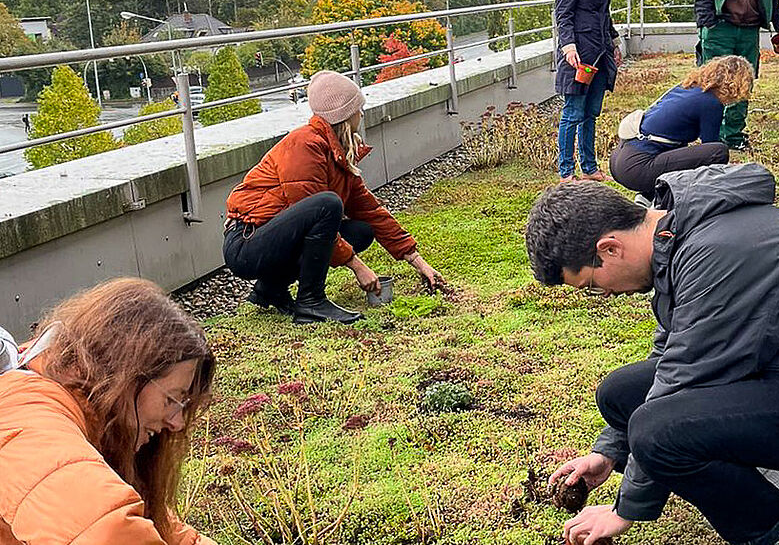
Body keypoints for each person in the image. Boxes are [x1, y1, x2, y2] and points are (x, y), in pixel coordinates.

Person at [525, 165, 779, 545]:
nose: (603, 294)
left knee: (658, 433)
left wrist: (624, 510)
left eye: (592, 284)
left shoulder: (722, 251)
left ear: (609, 248)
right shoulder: (678, 238)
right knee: (622, 393)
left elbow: (679, 387)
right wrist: (608, 452)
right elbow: (669, 358)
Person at [0, 278, 217, 545]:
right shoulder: (30, 421)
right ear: (127, 375)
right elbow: (106, 532)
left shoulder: (74, 402)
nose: (177, 423)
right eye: (173, 399)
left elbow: (157, 527)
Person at [224, 71, 445, 325]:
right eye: (358, 107)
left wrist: (418, 261)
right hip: (247, 244)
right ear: (343, 113)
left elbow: (371, 211)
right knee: (327, 205)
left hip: (272, 239)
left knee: (361, 230)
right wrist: (357, 265)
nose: (361, 113)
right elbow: (310, 210)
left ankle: (270, 289)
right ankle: (311, 302)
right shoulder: (304, 144)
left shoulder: (337, 152)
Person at [609, 55, 752, 204]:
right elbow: (710, 149)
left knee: (685, 150)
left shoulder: (687, 87)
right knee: (718, 151)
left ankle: (651, 196)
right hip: (637, 167)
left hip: (620, 160)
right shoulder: (711, 102)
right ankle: (699, 200)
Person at [692, 0, 779, 151]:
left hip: (750, 28)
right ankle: (711, 137)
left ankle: (733, 136)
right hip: (719, 27)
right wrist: (707, 21)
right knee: (713, 83)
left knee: (744, 83)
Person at [555, 0, 623, 183]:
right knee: (573, 113)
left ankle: (589, 169)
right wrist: (568, 46)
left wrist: (614, 42)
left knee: (590, 113)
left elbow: (604, 13)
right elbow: (563, 13)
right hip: (578, 55)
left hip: (600, 52)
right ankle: (566, 173)